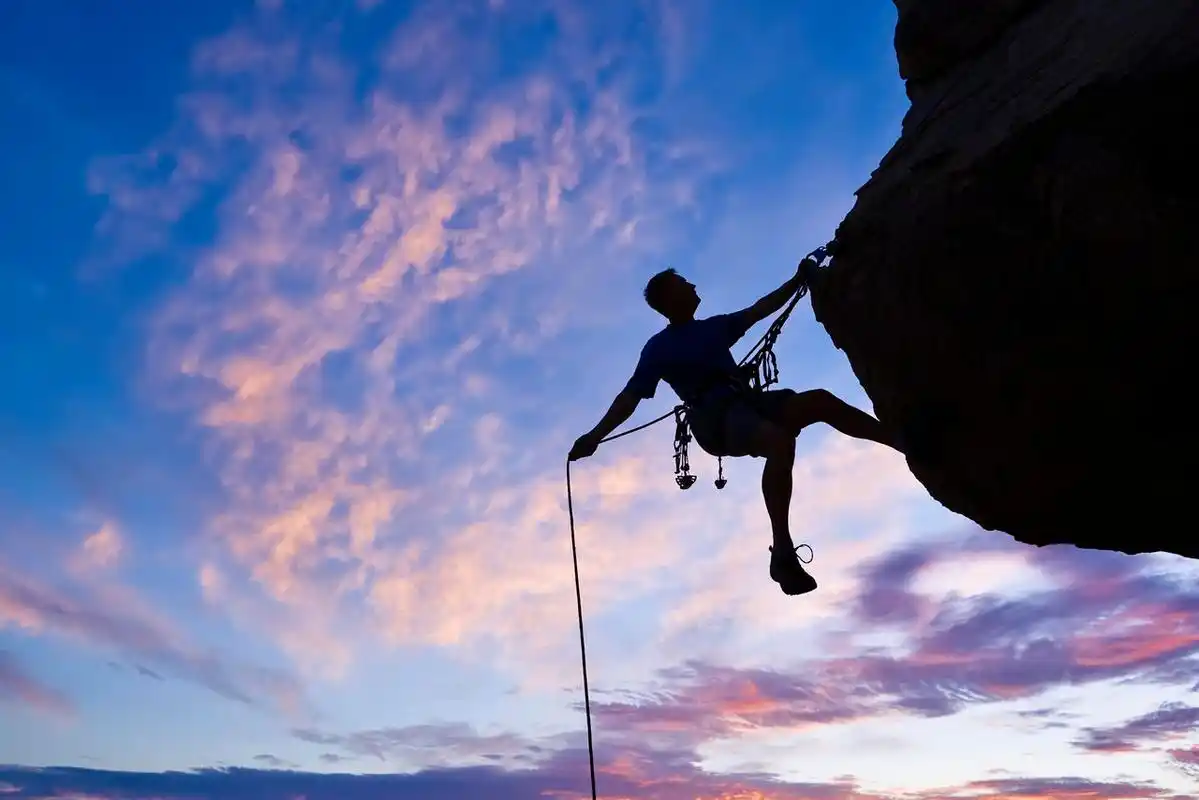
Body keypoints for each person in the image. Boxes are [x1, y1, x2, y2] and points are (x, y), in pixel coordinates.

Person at [567, 264, 899, 596]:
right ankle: (782, 551)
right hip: (715, 420)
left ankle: (901, 440)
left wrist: (798, 279)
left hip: (745, 403)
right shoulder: (658, 348)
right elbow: (630, 397)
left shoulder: (714, 328)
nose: (692, 284)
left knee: (819, 402)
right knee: (778, 441)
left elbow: (760, 310)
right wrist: (596, 436)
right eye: (683, 283)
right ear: (669, 298)